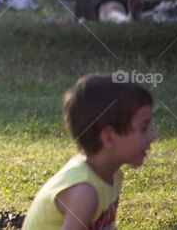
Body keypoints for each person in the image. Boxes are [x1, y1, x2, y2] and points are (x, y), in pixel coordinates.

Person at [22, 74, 154, 230]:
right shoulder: (84, 192)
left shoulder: (111, 174)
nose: (152, 136)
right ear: (109, 137)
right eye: (143, 128)